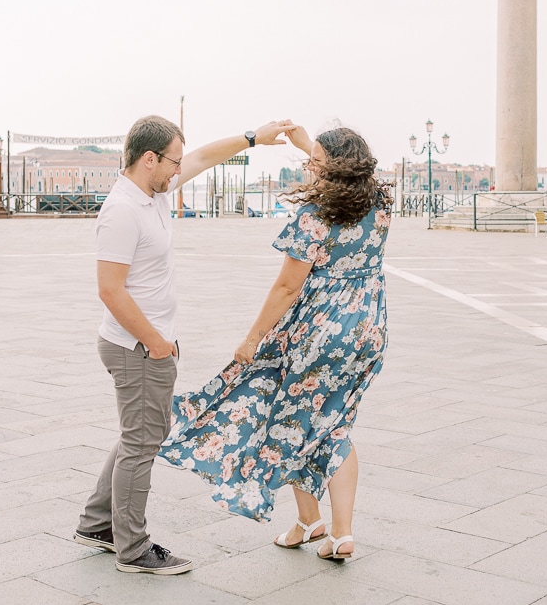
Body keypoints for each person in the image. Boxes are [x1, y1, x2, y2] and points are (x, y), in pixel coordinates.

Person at [159, 125, 391, 562]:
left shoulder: (315, 215)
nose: (309, 165)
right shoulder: (377, 204)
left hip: (318, 332)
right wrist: (310, 145)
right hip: (367, 331)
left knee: (295, 421)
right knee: (327, 421)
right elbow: (349, 173)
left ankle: (325, 525)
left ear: (333, 167)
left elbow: (287, 287)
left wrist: (251, 340)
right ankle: (325, 527)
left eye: (316, 160)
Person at [74, 114, 293, 575]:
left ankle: (97, 523)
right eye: (171, 162)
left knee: (140, 433)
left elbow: (202, 157)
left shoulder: (152, 192)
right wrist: (156, 344)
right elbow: (110, 290)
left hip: (146, 345)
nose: (179, 171)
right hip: (137, 349)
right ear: (148, 158)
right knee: (142, 442)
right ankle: (132, 549)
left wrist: (253, 138)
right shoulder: (122, 210)